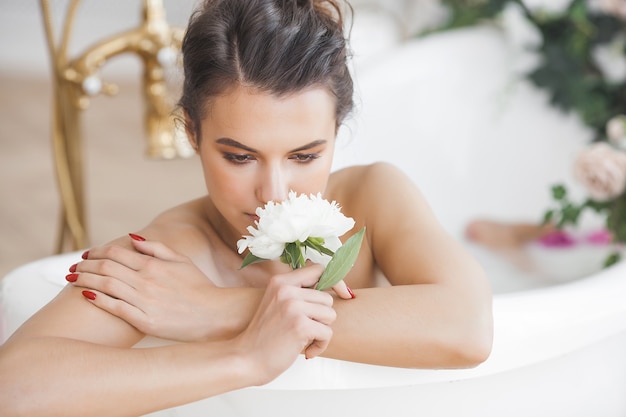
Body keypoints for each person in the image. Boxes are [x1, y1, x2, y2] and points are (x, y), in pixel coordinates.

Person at [0, 0, 493, 415]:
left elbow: (468, 328)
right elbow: (16, 387)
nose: (275, 192)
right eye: (239, 156)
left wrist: (219, 310)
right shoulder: (172, 256)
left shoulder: (371, 195)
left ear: (337, 132)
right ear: (192, 132)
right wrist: (244, 359)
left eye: (305, 155)